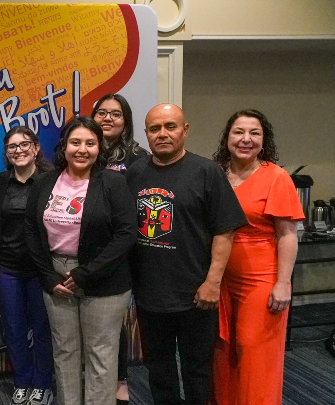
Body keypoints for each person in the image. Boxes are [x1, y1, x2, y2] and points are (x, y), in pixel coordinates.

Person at [125, 104, 247, 405]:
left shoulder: (207, 172)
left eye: (170, 126)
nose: (162, 134)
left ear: (185, 130)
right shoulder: (134, 172)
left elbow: (225, 231)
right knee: (158, 369)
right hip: (150, 293)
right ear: (146, 133)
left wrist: (212, 283)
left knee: (197, 370)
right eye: (155, 129)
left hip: (195, 293)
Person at [25, 116, 137, 405]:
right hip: (56, 276)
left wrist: (87, 273)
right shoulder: (44, 182)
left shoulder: (113, 182)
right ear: (64, 147)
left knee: (100, 353)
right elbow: (32, 232)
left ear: (99, 148)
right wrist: (49, 278)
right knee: (65, 350)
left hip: (104, 278)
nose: (82, 149)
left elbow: (126, 234)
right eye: (75, 142)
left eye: (90, 143)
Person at [211, 109, 304, 405]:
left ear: (264, 141)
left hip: (261, 280)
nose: (246, 139)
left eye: (255, 133)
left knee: (255, 353)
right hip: (220, 279)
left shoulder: (276, 177)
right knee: (222, 352)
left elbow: (287, 234)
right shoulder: (215, 174)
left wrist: (283, 283)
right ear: (228, 137)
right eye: (239, 132)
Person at [91, 93, 148, 404]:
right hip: (91, 250)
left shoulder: (139, 158)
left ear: (125, 121)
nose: (107, 119)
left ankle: (121, 378)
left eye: (115, 114)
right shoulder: (86, 152)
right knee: (97, 322)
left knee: (118, 320)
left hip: (130, 249)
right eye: (101, 113)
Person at [0, 126, 55, 405]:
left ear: (36, 148)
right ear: (6, 152)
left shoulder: (51, 181)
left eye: (24, 144)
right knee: (15, 328)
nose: (18, 150)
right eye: (12, 146)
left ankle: (42, 384)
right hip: (8, 269)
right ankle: (22, 381)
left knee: (42, 329)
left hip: (41, 270)